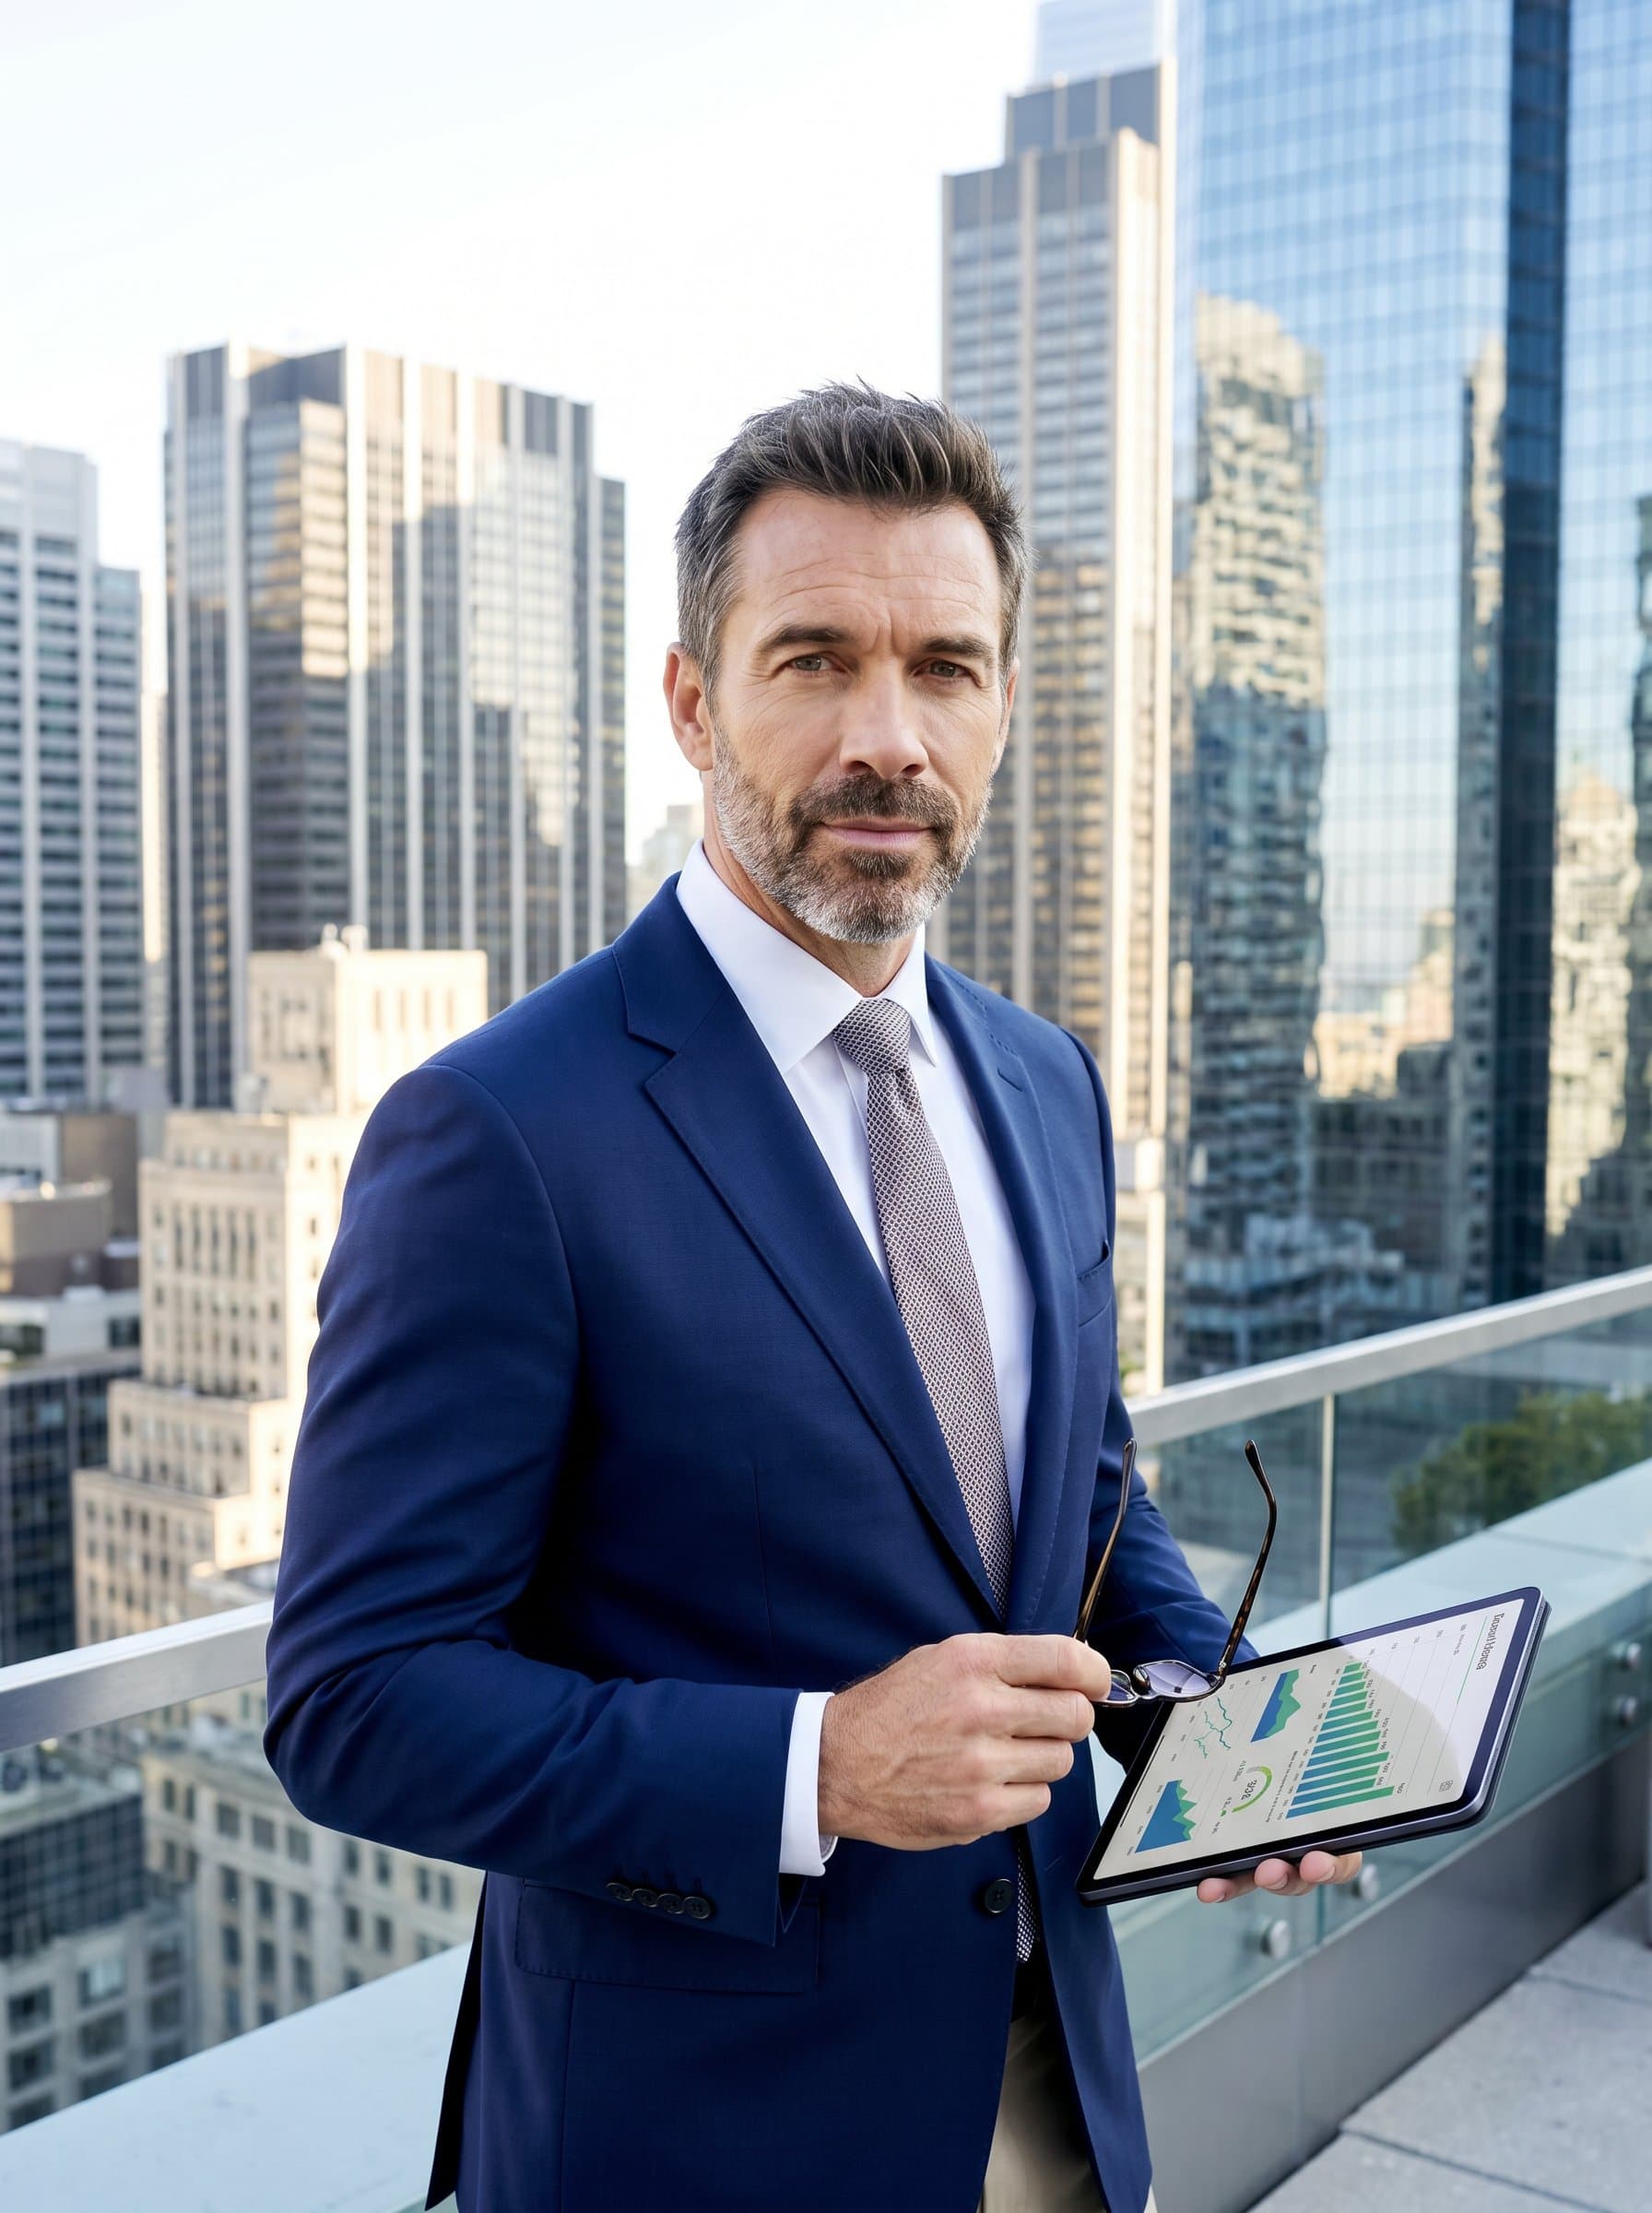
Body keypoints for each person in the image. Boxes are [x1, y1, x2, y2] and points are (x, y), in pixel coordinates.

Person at [262, 381, 1358, 2213]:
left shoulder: (1045, 1083)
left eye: (943, 667)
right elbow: (354, 1698)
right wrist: (819, 1763)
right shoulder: (497, 1135)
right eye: (814, 660)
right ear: (692, 702)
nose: (887, 736)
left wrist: (1205, 1716)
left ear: (1002, 703)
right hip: (694, 2134)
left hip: (1051, 2091)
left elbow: (1070, 1490)